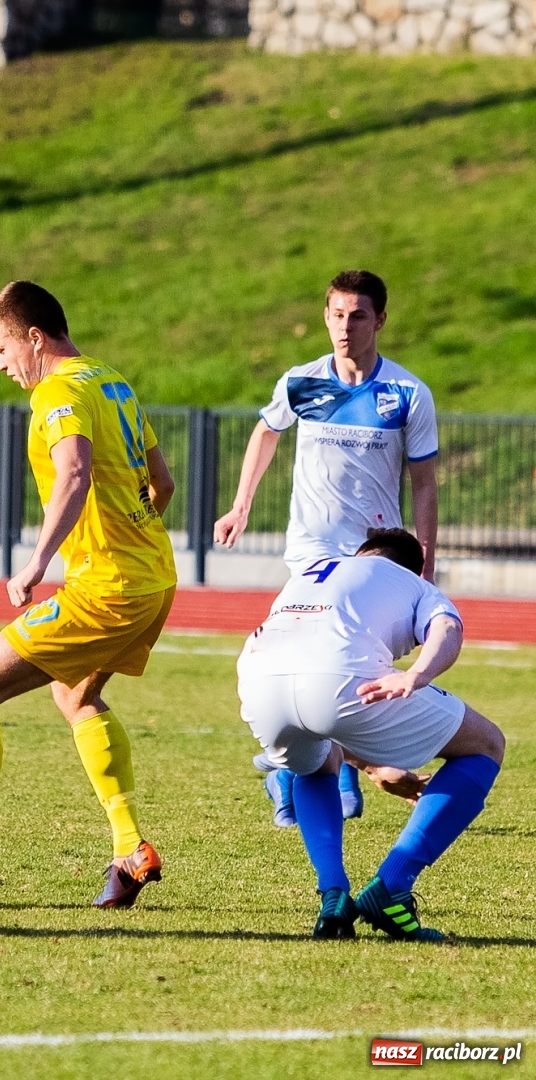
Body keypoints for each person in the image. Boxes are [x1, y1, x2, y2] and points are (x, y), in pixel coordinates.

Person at [0, 281, 178, 908]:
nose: (0, 366)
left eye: (0, 350)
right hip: (153, 579)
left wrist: (37, 563)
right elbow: (162, 483)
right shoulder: (112, 381)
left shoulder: (58, 390)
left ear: (33, 338)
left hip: (104, 589)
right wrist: (129, 538)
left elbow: (74, 472)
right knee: (76, 694)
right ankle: (131, 848)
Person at [214, 270, 440, 828]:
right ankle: (329, 772)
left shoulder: (406, 394)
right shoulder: (302, 382)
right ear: (326, 317)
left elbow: (425, 482)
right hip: (313, 551)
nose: (345, 326)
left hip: (375, 555)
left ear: (380, 321)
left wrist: (425, 558)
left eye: (358, 315)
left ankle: (287, 767)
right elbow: (266, 432)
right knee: (318, 660)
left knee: (359, 663)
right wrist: (241, 504)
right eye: (336, 314)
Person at [236, 528, 503, 941]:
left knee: (317, 765)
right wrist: (417, 674)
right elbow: (447, 627)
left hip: (256, 680)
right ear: (418, 569)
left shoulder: (312, 572)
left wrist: (373, 765)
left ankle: (333, 893)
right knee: (485, 745)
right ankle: (393, 887)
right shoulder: (414, 582)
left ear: (360, 554)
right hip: (342, 679)